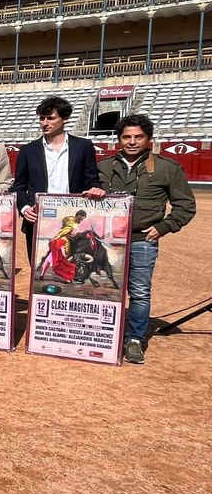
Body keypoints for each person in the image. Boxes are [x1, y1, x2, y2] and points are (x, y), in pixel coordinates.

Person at [97, 114, 196, 364]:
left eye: (138, 136)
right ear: (118, 139)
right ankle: (101, 334)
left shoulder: (166, 168)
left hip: (142, 239)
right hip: (107, 240)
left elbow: (185, 205)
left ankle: (134, 340)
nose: (132, 141)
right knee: (103, 287)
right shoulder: (103, 166)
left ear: (149, 138)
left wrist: (164, 227)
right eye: (126, 137)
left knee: (139, 292)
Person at [11, 96, 105, 254]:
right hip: (38, 219)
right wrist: (25, 208)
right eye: (42, 118)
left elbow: (92, 179)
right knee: (38, 269)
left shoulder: (83, 147)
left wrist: (96, 188)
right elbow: (19, 186)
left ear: (65, 119)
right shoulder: (28, 150)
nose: (45, 123)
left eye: (51, 118)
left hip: (73, 218)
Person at [37, 210, 85, 283]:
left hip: (59, 241)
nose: (80, 221)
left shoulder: (70, 219)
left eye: (82, 219)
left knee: (50, 257)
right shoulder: (72, 225)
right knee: (63, 260)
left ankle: (42, 274)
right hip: (64, 242)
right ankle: (67, 278)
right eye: (80, 219)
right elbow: (64, 232)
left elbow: (63, 227)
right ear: (77, 216)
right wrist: (56, 238)